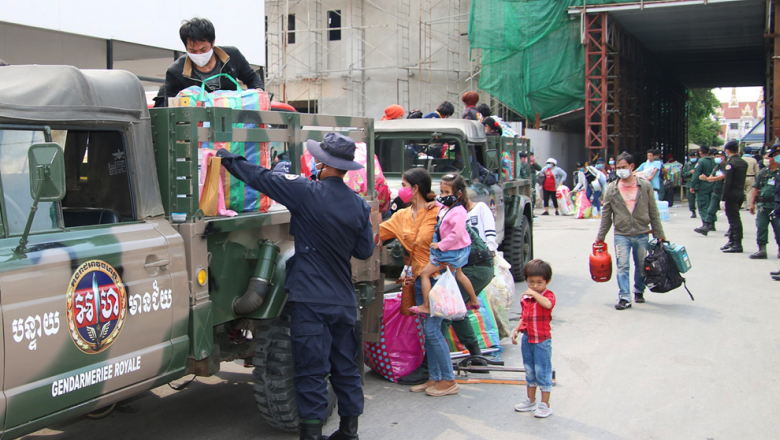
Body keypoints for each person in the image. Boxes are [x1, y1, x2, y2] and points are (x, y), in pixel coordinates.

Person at [215, 133, 374, 440]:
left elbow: (260, 178)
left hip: (310, 300)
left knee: (311, 371)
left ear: (321, 162)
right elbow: (364, 251)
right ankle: (349, 432)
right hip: (343, 300)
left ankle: (312, 435)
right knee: (345, 368)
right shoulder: (358, 204)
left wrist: (225, 156)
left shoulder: (306, 191)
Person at [379, 169, 460, 397]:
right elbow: (377, 233)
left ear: (415, 188)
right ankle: (434, 377)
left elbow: (458, 241)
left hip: (438, 280)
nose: (400, 190)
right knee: (428, 330)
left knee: (433, 330)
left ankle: (449, 380)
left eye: (404, 185)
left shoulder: (440, 213)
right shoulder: (401, 216)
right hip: (418, 281)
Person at [596, 152, 666, 310]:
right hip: (622, 234)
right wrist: (600, 237)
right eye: (618, 168)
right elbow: (606, 215)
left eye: (624, 167)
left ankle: (639, 290)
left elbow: (653, 211)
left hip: (642, 233)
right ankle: (624, 297)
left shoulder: (644, 186)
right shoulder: (611, 189)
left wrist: (659, 233)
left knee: (641, 265)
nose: (620, 170)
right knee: (623, 266)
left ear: (632, 167)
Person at [154, 18, 264, 107]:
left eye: (203, 50)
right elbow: (167, 105)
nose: (198, 54)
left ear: (213, 42)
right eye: (192, 51)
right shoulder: (176, 72)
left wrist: (258, 94)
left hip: (233, 123)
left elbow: (252, 79)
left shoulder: (232, 57)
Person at [414, 174, 479, 316]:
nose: (443, 195)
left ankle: (426, 305)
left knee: (424, 274)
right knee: (459, 274)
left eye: (447, 192)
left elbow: (457, 233)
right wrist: (436, 203)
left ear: (459, 193)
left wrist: (441, 245)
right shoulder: (451, 207)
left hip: (452, 250)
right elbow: (443, 206)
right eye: (442, 192)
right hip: (458, 249)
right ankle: (473, 300)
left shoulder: (458, 212)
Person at [511, 259, 556, 418]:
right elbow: (524, 316)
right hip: (528, 338)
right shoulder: (526, 297)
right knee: (530, 370)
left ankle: (545, 405)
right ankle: (531, 400)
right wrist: (517, 329)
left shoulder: (547, 295)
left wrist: (535, 294)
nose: (535, 285)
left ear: (547, 281)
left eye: (539, 282)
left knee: (542, 371)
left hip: (542, 340)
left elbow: (548, 305)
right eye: (531, 282)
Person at [748, 144, 780, 259]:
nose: (769, 159)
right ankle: (762, 249)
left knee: (778, 229)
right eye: (768, 157)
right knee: (761, 227)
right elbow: (756, 187)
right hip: (763, 205)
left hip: (776, 206)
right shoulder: (764, 172)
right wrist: (752, 203)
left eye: (772, 157)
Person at [720, 140, 749, 254]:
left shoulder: (730, 163)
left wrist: (723, 198)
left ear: (727, 150)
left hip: (731, 194)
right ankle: (732, 240)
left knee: (734, 219)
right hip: (740, 192)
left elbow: (728, 182)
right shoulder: (742, 162)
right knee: (733, 217)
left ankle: (737, 243)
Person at [695, 150, 725, 236]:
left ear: (723, 157)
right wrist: (707, 178)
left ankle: (732, 229)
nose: (717, 158)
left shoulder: (727, 166)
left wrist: (706, 179)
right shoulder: (717, 167)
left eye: (719, 156)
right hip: (716, 190)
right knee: (711, 209)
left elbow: (722, 177)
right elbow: (711, 177)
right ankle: (706, 226)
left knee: (730, 212)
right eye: (715, 156)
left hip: (725, 192)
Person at [690, 146, 715, 233]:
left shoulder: (701, 161)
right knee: (712, 205)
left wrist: (692, 185)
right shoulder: (714, 160)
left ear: (700, 152)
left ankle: (706, 223)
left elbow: (697, 174)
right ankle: (712, 222)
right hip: (713, 185)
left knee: (703, 205)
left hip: (703, 186)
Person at [683, 151, 699, 218]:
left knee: (700, 199)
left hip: (698, 183)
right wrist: (690, 172)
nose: (693, 158)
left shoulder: (699, 163)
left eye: (694, 157)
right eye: (692, 157)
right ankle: (693, 212)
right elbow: (684, 174)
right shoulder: (687, 165)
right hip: (689, 183)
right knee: (691, 199)